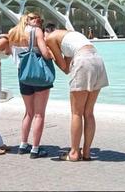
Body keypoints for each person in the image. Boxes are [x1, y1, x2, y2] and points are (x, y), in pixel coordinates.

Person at [43, 23, 109, 161]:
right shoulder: (70, 34)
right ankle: (86, 152)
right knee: (89, 112)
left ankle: (73, 153)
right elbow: (67, 68)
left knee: (76, 113)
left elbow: (62, 66)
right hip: (97, 60)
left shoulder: (50, 38)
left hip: (83, 60)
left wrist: (51, 54)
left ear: (46, 32)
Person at [8, 13, 54, 159]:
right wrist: (51, 54)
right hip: (38, 75)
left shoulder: (13, 32)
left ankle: (23, 145)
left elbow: (7, 52)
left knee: (29, 112)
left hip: (22, 75)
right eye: (37, 19)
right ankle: (35, 149)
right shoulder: (36, 31)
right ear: (30, 20)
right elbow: (45, 53)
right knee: (39, 113)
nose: (38, 22)